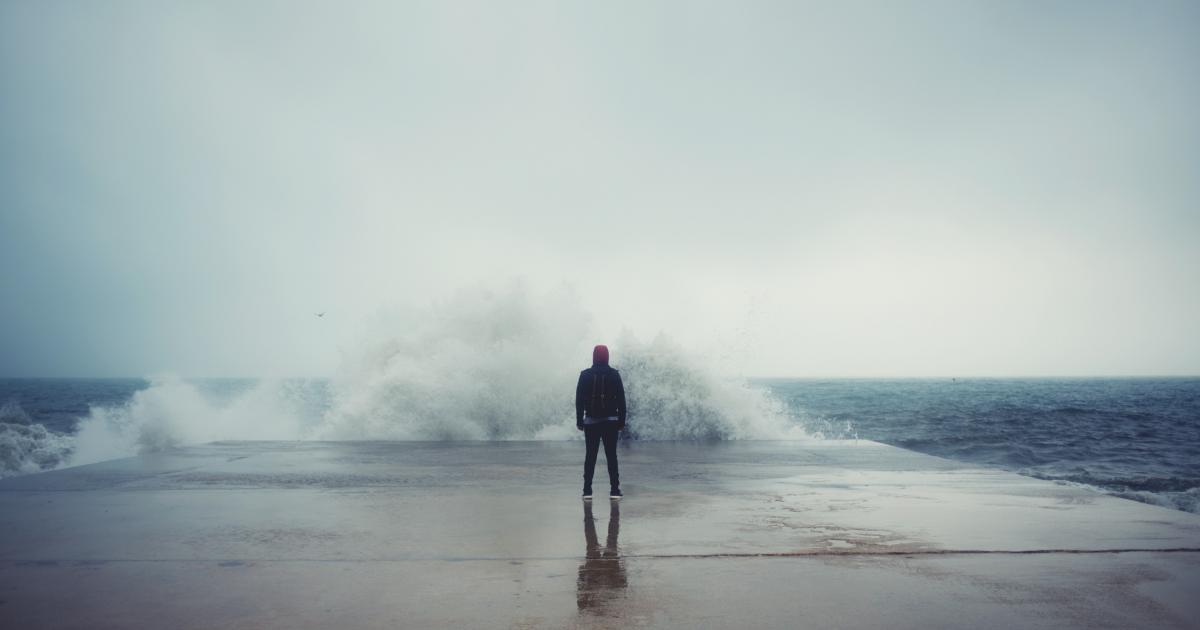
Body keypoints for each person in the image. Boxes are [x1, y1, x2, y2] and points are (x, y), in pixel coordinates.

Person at [575, 344, 627, 500]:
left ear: (594, 356)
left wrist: (579, 420)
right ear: (607, 356)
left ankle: (587, 491)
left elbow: (579, 400)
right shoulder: (614, 375)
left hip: (591, 422)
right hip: (611, 422)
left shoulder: (585, 375)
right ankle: (615, 491)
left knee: (590, 456)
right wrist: (622, 420)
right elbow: (621, 400)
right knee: (612, 456)